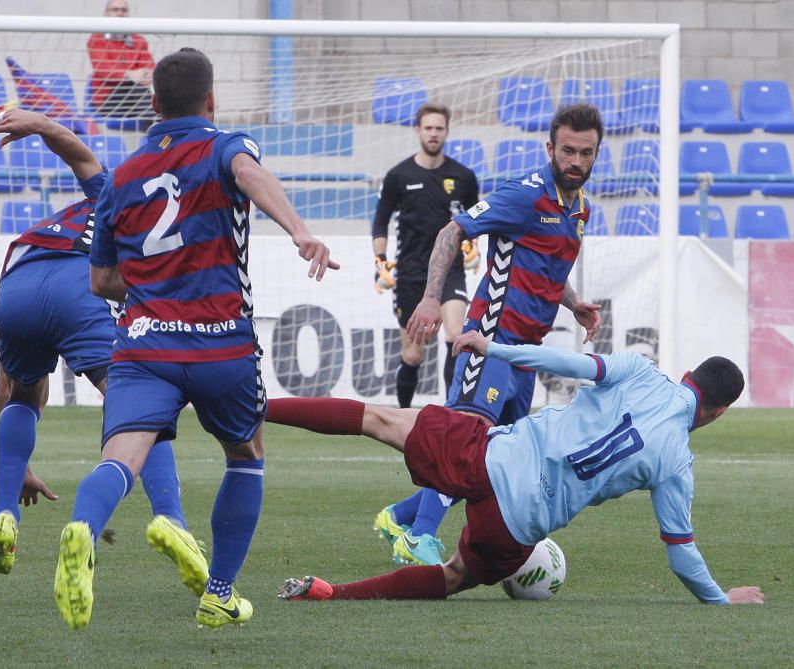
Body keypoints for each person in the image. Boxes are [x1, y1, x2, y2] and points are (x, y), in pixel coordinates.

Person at [53, 47, 339, 631]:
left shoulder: (124, 174)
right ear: (211, 100)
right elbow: (249, 175)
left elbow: (102, 280)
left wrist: (157, 280)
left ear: (153, 104)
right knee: (247, 454)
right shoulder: (225, 145)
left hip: (144, 346)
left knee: (120, 458)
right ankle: (220, 592)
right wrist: (300, 231)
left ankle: (83, 526)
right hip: (220, 345)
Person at [268, 331, 765, 607]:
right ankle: (333, 594)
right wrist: (721, 599)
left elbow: (564, 361)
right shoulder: (677, 460)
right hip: (517, 524)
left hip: (492, 457)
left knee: (378, 419)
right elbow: (681, 552)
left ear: (685, 377)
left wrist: (496, 349)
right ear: (717, 413)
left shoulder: (639, 370)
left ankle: (257, 406)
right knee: (453, 577)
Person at [0, 109, 207, 597]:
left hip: (16, 282)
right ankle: (172, 519)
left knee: (23, 393)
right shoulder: (179, 231)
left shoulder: (110, 189)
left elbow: (75, 150)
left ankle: (3, 512)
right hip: (78, 287)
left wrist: (37, 123)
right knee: (141, 406)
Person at [375, 103, 604, 567]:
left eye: (586, 153)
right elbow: (451, 230)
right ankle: (418, 537)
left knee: (496, 459)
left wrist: (574, 302)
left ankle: (399, 516)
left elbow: (546, 269)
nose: (575, 161)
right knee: (466, 437)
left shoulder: (578, 208)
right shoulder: (524, 196)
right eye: (567, 151)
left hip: (526, 353)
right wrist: (429, 298)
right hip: (490, 336)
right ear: (550, 148)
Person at [371, 103, 479, 410]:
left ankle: (450, 415)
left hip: (450, 269)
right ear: (418, 130)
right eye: (428, 128)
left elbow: (474, 220)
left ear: (447, 131)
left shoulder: (464, 177)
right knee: (414, 355)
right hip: (410, 272)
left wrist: (474, 246)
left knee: (456, 336)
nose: (433, 134)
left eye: (439, 128)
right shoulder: (398, 176)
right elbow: (380, 221)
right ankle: (403, 417)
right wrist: (380, 261)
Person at [87, 0, 155, 121]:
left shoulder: (139, 40)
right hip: (109, 99)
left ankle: (156, 126)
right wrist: (130, 75)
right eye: (115, 9)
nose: (120, 13)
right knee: (139, 89)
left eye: (124, 10)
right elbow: (103, 70)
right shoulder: (96, 39)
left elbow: (149, 66)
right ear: (106, 13)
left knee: (158, 89)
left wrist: (146, 74)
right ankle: (155, 128)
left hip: (138, 98)